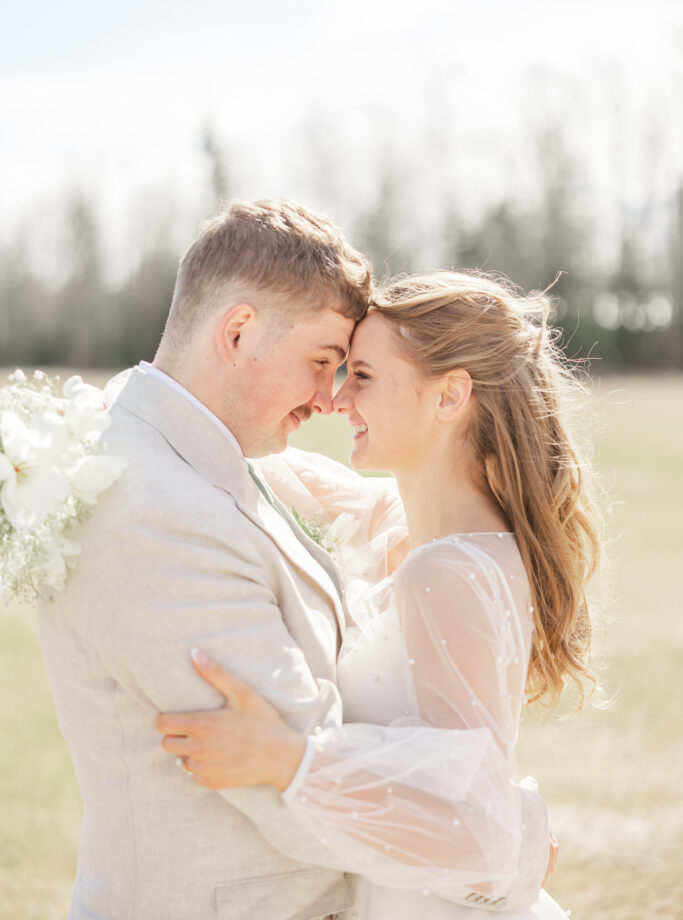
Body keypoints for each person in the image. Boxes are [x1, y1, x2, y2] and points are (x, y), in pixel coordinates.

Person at [36, 205, 550, 920]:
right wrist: (515, 842)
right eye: (323, 362)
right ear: (238, 331)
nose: (328, 398)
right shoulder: (158, 508)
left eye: (352, 372)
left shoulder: (204, 458)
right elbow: (284, 771)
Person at [157, 270, 603, 919]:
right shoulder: (402, 520)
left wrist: (286, 761)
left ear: (449, 396)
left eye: (361, 376)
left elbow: (475, 831)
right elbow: (265, 467)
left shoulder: (445, 573)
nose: (336, 400)